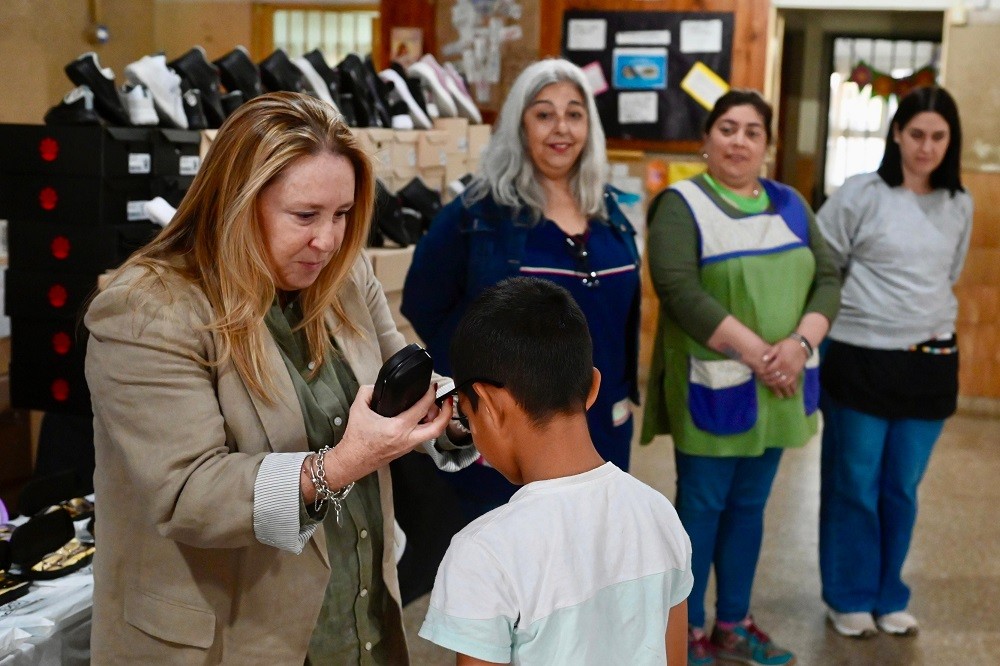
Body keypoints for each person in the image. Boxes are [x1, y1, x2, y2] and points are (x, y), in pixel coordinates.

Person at [84, 92, 476, 663]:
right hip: (230, 641)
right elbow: (190, 494)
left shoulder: (342, 276)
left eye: (342, 215)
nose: (329, 240)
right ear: (235, 203)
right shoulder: (147, 310)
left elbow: (406, 382)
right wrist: (344, 463)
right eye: (305, 216)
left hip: (358, 618)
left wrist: (463, 415)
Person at [641, 89, 841, 666]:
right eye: (727, 128)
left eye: (753, 131)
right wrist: (762, 355)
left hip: (779, 388)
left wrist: (799, 345)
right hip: (715, 388)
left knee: (750, 508)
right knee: (701, 507)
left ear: (767, 146)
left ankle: (734, 622)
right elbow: (679, 291)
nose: (739, 140)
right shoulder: (681, 205)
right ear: (706, 140)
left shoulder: (792, 205)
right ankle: (687, 633)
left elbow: (828, 278)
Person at [401, 58, 640, 519]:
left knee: (590, 559)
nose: (561, 128)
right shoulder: (478, 212)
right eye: (544, 113)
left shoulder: (609, 211)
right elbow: (423, 303)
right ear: (519, 125)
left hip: (603, 427)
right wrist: (480, 394)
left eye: (574, 113)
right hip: (512, 441)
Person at [419, 276, 692, 665]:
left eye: (466, 411)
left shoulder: (484, 552)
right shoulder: (659, 512)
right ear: (593, 387)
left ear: (490, 405)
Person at [816, 86, 973, 639]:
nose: (926, 147)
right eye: (916, 135)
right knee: (853, 483)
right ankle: (848, 595)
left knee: (901, 486)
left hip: (928, 360)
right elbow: (823, 265)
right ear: (897, 135)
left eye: (938, 137)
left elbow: (946, 273)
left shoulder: (959, 202)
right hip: (858, 354)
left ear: (950, 141)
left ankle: (888, 594)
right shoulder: (861, 194)